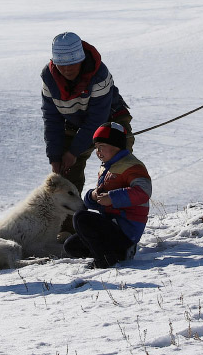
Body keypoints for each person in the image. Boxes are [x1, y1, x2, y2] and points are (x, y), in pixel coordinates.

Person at [40, 32, 133, 199]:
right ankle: (69, 223)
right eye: (62, 65)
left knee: (119, 166)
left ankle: (118, 219)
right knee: (65, 176)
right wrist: (55, 158)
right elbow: (52, 120)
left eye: (72, 64)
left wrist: (74, 152)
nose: (67, 69)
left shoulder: (99, 74)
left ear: (81, 60)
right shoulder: (49, 79)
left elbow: (97, 119)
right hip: (73, 122)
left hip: (110, 119)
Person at [65, 122, 151, 268]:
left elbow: (143, 192)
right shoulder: (107, 168)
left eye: (101, 147)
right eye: (96, 148)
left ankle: (105, 259)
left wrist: (112, 198)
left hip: (126, 229)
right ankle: (119, 253)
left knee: (81, 218)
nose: (97, 152)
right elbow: (100, 198)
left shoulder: (131, 165)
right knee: (71, 246)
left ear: (116, 145)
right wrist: (92, 196)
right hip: (111, 225)